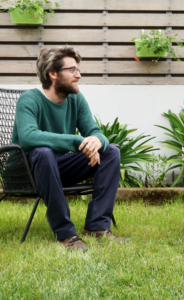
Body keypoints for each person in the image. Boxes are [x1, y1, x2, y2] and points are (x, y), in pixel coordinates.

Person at [12, 46, 130, 252]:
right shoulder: (30, 99)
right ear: (53, 74)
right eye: (73, 70)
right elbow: (28, 136)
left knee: (110, 151)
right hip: (26, 172)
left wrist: (96, 142)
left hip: (56, 169)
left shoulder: (76, 99)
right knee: (43, 151)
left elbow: (95, 131)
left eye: (78, 70)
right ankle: (65, 233)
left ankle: (97, 227)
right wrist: (78, 142)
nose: (79, 75)